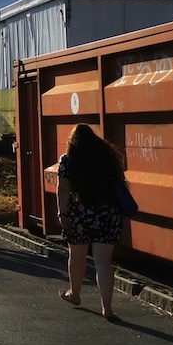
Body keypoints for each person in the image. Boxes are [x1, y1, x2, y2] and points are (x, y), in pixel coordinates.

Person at [56, 123, 126, 321]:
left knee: (77, 256)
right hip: (107, 212)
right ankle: (107, 308)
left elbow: (63, 188)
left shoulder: (68, 160)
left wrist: (62, 213)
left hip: (79, 213)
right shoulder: (108, 157)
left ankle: (75, 294)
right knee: (103, 262)